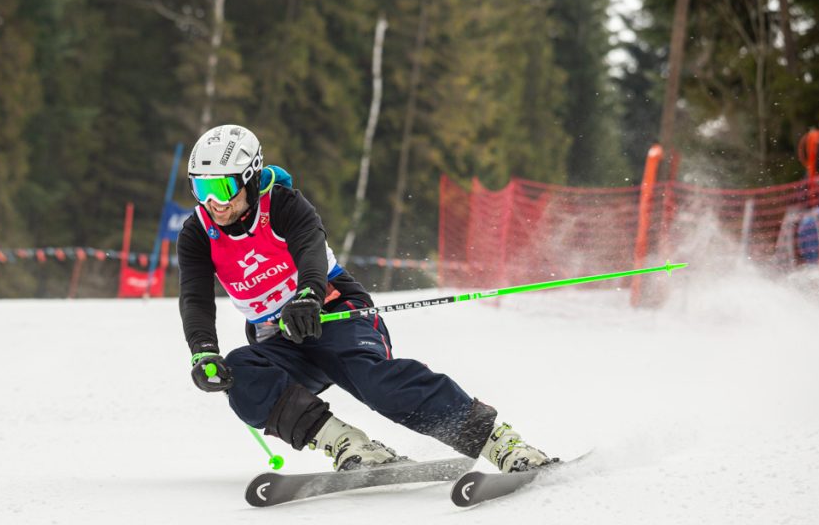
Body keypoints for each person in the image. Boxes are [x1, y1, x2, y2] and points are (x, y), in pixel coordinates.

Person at [177, 124, 553, 472]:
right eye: (201, 189)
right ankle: (349, 444)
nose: (214, 202)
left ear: (250, 178)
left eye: (222, 189)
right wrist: (203, 351)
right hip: (280, 337)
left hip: (333, 311)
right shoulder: (197, 232)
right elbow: (195, 297)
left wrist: (307, 296)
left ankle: (499, 443)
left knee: (376, 384)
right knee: (241, 373)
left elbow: (310, 250)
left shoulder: (284, 205)